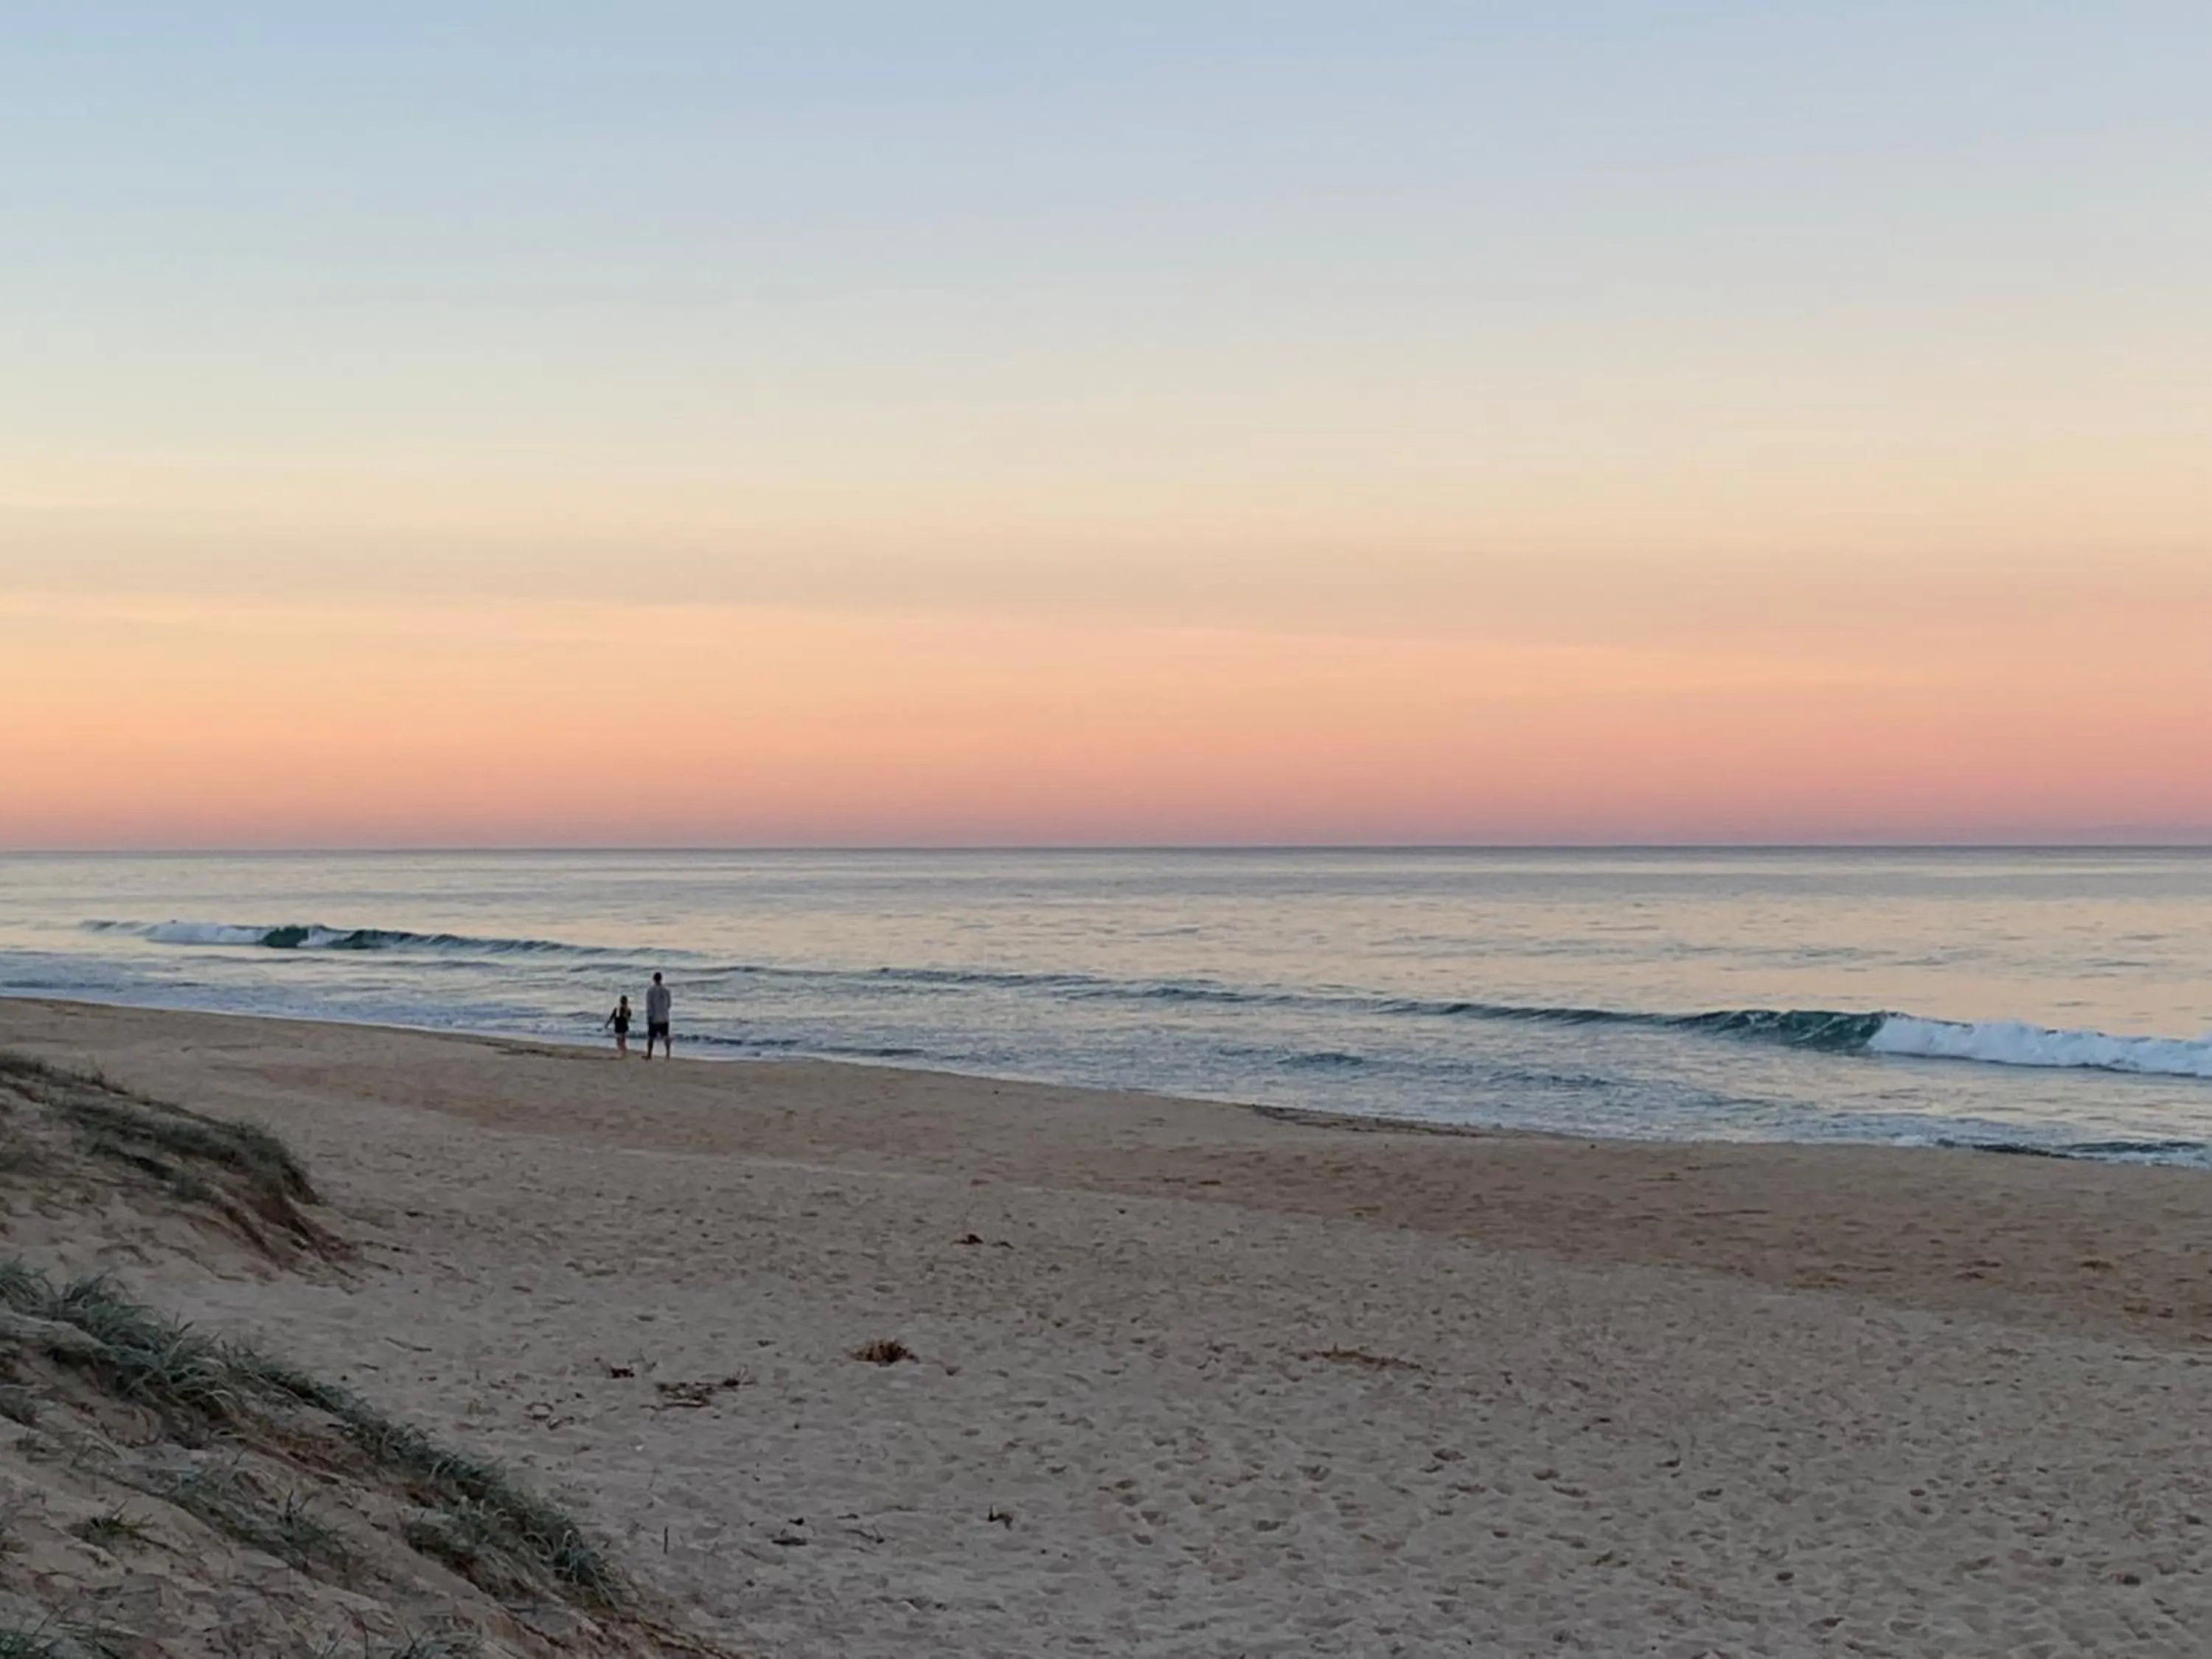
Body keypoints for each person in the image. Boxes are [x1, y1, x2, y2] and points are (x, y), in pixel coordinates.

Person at [643, 971, 672, 1060]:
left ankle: (649, 1054)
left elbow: (649, 1005)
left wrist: (649, 1016)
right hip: (664, 1017)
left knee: (651, 1037)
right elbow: (669, 1004)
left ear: (653, 979)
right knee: (666, 1036)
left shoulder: (650, 991)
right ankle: (668, 1054)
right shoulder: (666, 990)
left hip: (654, 1017)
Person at [601, 993, 632, 1057]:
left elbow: (611, 1017)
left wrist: (607, 1024)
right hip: (624, 1026)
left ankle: (621, 1053)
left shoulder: (617, 1009)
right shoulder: (628, 1010)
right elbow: (628, 1019)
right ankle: (624, 1052)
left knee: (619, 1041)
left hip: (618, 1026)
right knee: (623, 1041)